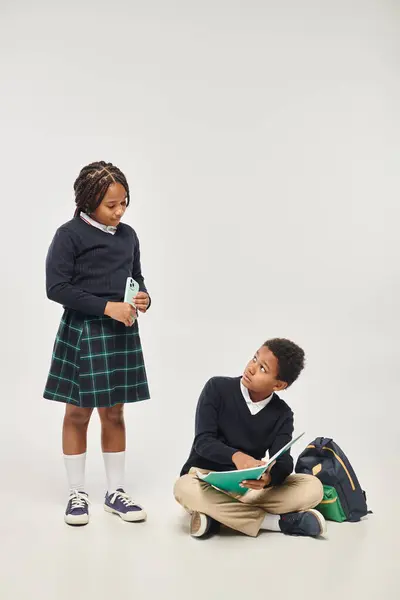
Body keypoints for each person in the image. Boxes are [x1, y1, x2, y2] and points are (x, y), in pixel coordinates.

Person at [44, 161, 151, 526]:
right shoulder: (69, 235)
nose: (120, 211)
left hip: (121, 332)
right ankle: (77, 493)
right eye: (111, 205)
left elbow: (135, 277)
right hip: (84, 332)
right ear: (89, 201)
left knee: (114, 412)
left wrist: (144, 298)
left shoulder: (128, 235)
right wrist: (107, 307)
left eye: (124, 203)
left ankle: (115, 491)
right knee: (77, 413)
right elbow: (56, 288)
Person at [174, 338, 326, 539]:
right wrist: (237, 457)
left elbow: (283, 461)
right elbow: (203, 442)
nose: (251, 368)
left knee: (312, 487)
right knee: (183, 488)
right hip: (204, 479)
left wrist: (268, 478)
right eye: (255, 358)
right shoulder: (217, 388)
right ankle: (277, 523)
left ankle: (217, 516)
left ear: (279, 385)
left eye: (263, 368)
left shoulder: (282, 414)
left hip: (247, 488)